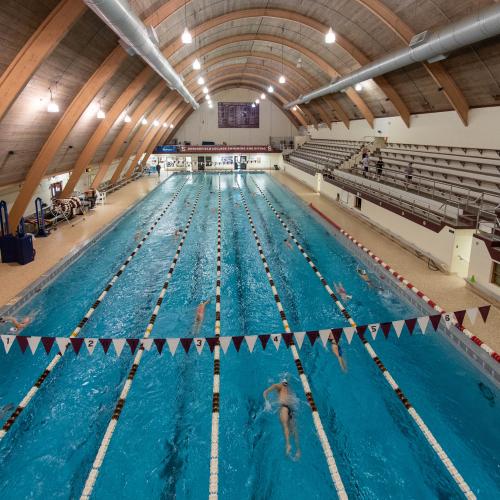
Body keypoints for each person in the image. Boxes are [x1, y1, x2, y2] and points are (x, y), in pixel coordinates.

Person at [263, 379, 301, 459]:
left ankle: (288, 444)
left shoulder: (278, 385)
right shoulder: (289, 389)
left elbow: (265, 392)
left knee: (285, 426)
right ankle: (298, 450)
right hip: (291, 409)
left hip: (284, 407)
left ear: (282, 382)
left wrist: (267, 402)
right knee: (294, 429)